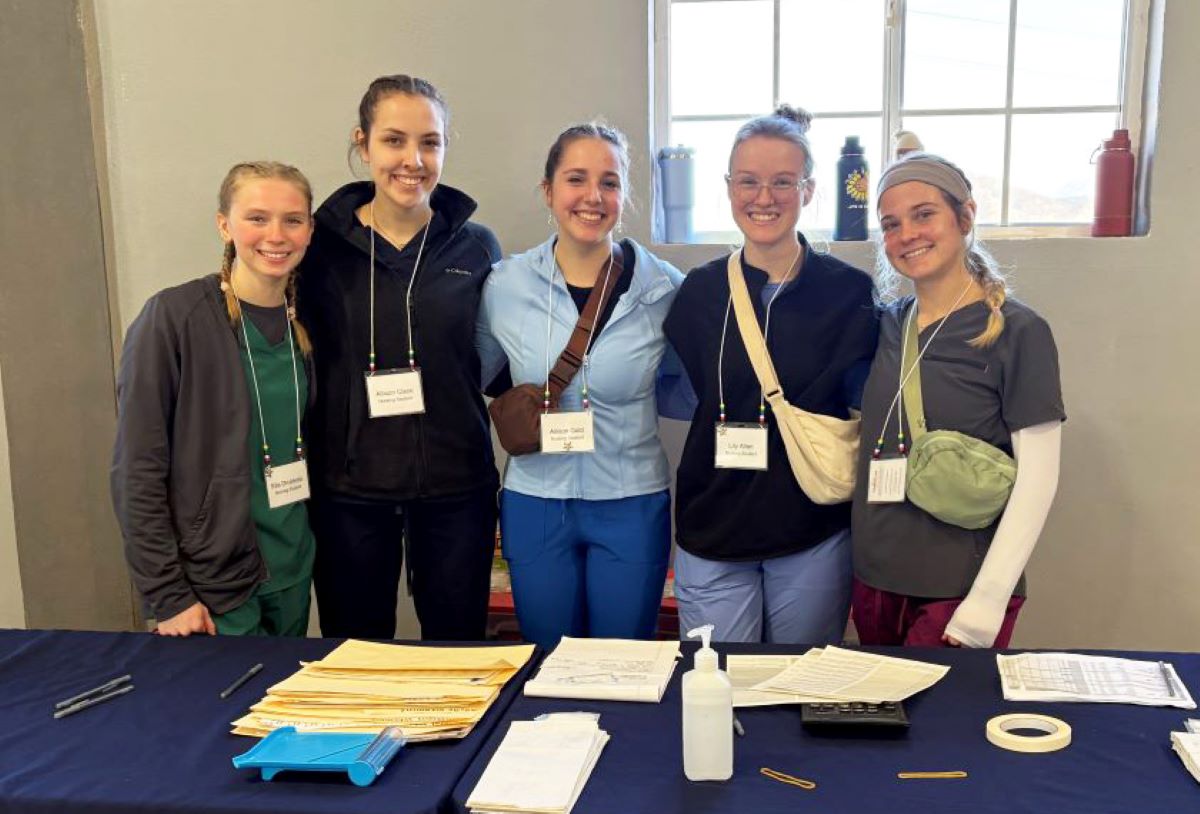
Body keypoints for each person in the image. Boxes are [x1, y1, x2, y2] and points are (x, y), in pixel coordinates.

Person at [662, 106, 879, 643]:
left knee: (798, 691)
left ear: (807, 191)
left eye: (783, 182)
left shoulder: (848, 294)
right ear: (729, 188)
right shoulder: (698, 293)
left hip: (811, 532)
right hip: (713, 529)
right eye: (749, 182)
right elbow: (683, 395)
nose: (765, 198)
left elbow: (863, 406)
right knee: (719, 688)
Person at [297, 75, 502, 640]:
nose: (413, 160)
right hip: (349, 489)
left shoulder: (477, 246)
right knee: (357, 651)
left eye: (430, 143)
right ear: (362, 144)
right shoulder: (317, 248)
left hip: (457, 485)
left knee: (458, 651)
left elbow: (494, 357)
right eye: (394, 141)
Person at [476, 123, 684, 648]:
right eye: (576, 179)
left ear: (624, 196)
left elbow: (687, 384)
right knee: (547, 659)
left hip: (631, 498)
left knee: (623, 663)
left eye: (609, 183)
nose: (593, 197)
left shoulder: (663, 288)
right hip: (536, 500)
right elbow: (478, 372)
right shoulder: (504, 284)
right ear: (548, 191)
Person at [851, 152, 1065, 648]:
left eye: (924, 214)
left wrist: (988, 599)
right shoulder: (886, 325)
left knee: (944, 724)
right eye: (891, 224)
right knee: (879, 724)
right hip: (875, 581)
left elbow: (1039, 476)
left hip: (958, 591)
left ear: (965, 217)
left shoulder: (1018, 332)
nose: (907, 234)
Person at [112, 161, 317, 636]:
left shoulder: (305, 325)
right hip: (212, 586)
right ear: (224, 224)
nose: (276, 234)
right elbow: (136, 469)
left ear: (310, 229)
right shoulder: (174, 317)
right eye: (257, 218)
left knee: (280, 709)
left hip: (290, 569)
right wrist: (167, 594)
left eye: (293, 219)